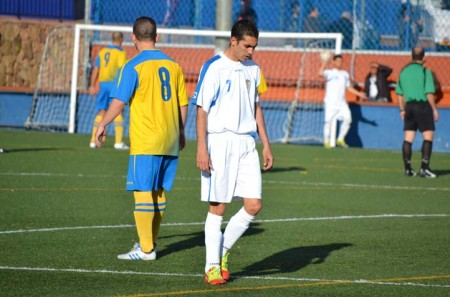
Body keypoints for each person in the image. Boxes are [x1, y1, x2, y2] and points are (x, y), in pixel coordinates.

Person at [94, 16, 189, 260]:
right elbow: (183, 104)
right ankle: (150, 244)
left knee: (142, 191)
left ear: (133, 38)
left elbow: (118, 102)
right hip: (169, 138)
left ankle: (146, 249)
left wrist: (103, 123)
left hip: (147, 138)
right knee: (158, 192)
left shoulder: (133, 65)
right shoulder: (174, 65)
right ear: (157, 37)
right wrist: (181, 131)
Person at [193, 20, 274, 285]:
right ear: (233, 40)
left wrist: (265, 143)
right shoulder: (214, 67)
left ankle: (222, 251)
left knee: (254, 205)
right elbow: (202, 109)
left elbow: (256, 107)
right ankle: (212, 266)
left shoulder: (254, 69)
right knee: (218, 207)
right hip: (220, 141)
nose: (251, 51)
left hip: (247, 143)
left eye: (254, 47)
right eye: (247, 46)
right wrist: (201, 148)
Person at [395, 47, 439, 178]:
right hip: (422, 106)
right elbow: (429, 92)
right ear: (423, 57)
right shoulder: (425, 72)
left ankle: (408, 168)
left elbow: (399, 93)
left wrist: (402, 109)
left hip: (408, 107)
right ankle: (424, 168)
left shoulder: (403, 72)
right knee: (428, 136)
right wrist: (434, 109)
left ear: (411, 56)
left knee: (408, 138)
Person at [89, 32, 129, 150]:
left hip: (103, 85)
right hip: (114, 85)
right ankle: (118, 142)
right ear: (121, 39)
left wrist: (92, 85)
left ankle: (93, 141)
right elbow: (122, 69)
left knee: (102, 112)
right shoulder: (121, 52)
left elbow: (96, 69)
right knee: (118, 111)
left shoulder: (102, 52)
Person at [319, 54, 367, 148]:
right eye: (337, 61)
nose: (339, 63)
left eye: (340, 61)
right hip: (331, 103)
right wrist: (324, 63)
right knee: (328, 122)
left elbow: (348, 87)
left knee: (348, 119)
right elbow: (320, 74)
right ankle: (326, 142)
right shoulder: (330, 72)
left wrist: (359, 94)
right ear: (333, 62)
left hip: (342, 103)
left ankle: (340, 139)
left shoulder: (345, 74)